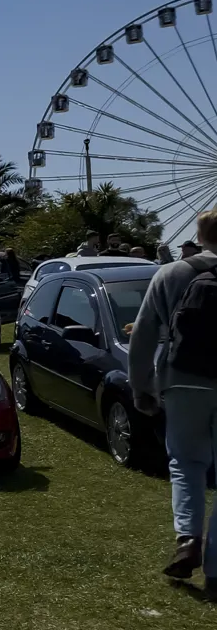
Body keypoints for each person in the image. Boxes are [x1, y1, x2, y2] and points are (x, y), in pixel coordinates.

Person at [129, 209, 217, 583]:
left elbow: (143, 335)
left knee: (185, 462)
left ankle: (188, 540)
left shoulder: (170, 273)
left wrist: (141, 387)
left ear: (200, 236)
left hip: (181, 380)